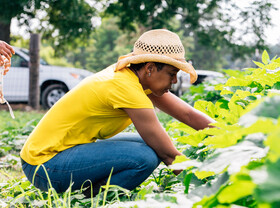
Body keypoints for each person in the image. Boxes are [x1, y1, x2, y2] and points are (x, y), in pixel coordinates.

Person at [20, 29, 215, 197]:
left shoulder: (136, 79)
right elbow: (168, 155)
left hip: (59, 154)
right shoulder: (124, 87)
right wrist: (211, 188)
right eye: (172, 74)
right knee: (146, 156)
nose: (174, 81)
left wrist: (236, 138)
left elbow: (189, 115)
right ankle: (93, 198)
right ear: (150, 68)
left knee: (148, 146)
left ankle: (91, 190)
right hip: (44, 166)